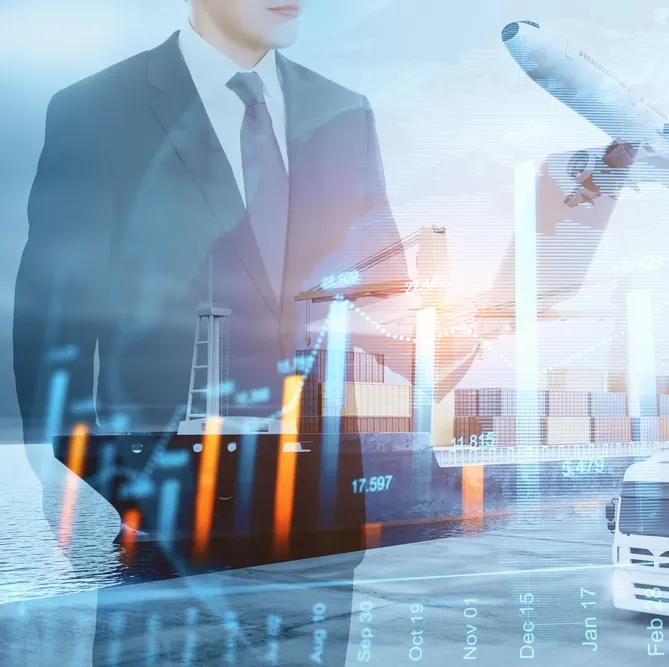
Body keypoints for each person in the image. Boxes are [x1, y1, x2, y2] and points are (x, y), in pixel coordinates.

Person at [12, 1, 480, 664]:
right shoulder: (96, 111)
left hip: (322, 524)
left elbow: (384, 301)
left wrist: (445, 345)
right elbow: (49, 312)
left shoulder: (346, 112)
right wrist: (125, 484)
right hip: (168, 520)